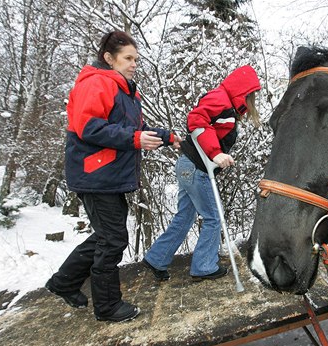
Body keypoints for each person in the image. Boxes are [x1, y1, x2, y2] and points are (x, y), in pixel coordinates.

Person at [45, 30, 180, 322]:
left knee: (108, 235)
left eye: (136, 59)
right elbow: (89, 129)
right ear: (109, 58)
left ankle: (64, 282)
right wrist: (135, 139)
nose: (134, 64)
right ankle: (106, 306)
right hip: (95, 173)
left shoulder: (125, 90)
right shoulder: (97, 84)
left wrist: (167, 136)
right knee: (114, 239)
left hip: (109, 175)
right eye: (128, 58)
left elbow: (132, 131)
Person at [142, 65, 261, 282]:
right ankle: (204, 266)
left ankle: (157, 258)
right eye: (251, 95)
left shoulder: (227, 104)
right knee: (214, 217)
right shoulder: (221, 99)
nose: (252, 100)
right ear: (243, 90)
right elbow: (196, 120)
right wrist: (215, 154)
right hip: (196, 168)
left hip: (188, 166)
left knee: (185, 216)